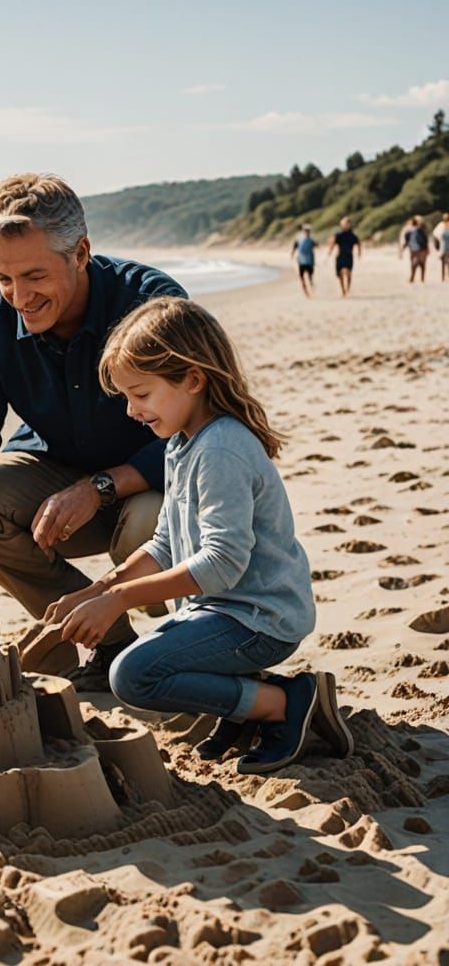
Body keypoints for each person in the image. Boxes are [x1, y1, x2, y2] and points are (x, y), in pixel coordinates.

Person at [44, 297, 353, 773]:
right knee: (151, 650)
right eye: (127, 397)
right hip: (221, 611)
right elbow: (165, 544)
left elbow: (221, 564)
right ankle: (241, 712)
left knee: (133, 674)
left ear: (192, 379)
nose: (130, 411)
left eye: (141, 394)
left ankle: (286, 703)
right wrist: (97, 590)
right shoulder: (181, 444)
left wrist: (120, 601)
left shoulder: (222, 450)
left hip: (260, 618)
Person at [0, 173, 186, 690]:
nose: (19, 296)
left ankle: (185, 650)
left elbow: (202, 431)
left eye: (34, 275)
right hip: (53, 472)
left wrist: (101, 487)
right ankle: (110, 640)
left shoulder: (153, 306)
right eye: (3, 278)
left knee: (146, 524)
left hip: (153, 487)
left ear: (81, 252)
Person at [328, 216, 361, 297]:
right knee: (339, 275)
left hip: (349, 256)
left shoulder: (352, 235)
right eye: (343, 224)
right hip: (339, 256)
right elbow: (333, 243)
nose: (345, 225)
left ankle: (347, 289)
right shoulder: (338, 235)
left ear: (350, 225)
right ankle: (343, 290)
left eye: (347, 223)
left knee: (347, 272)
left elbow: (358, 243)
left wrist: (359, 253)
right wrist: (330, 251)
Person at [399, 215, 429, 284]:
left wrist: (401, 250)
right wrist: (427, 249)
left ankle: (412, 279)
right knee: (422, 265)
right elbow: (425, 240)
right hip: (422, 250)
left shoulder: (409, 231)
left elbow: (406, 242)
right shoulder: (421, 230)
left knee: (413, 265)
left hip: (413, 250)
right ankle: (422, 280)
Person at [290, 224, 316, 297]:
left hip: (310, 261)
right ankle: (306, 292)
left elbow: (316, 245)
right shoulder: (299, 240)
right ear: (303, 231)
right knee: (302, 278)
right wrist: (292, 254)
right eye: (305, 231)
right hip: (301, 261)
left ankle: (311, 287)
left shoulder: (311, 240)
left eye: (308, 231)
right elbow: (294, 247)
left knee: (310, 276)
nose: (307, 232)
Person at [434, 211, 449, 283]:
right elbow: (436, 236)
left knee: (444, 262)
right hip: (443, 246)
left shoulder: (440, 225)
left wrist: (436, 246)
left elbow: (435, 236)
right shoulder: (441, 225)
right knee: (444, 262)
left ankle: (444, 277)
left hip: (443, 246)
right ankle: (443, 277)